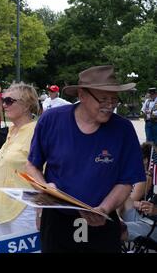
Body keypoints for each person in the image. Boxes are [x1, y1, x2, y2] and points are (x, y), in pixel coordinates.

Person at [25, 65, 146, 252]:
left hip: (103, 219)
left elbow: (126, 181)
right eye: (103, 99)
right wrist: (44, 187)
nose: (110, 105)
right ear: (82, 95)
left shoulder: (123, 130)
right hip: (57, 219)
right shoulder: (51, 120)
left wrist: (104, 209)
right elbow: (32, 165)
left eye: (114, 99)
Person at [0, 83, 39, 237]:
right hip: (0, 209)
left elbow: (45, 172)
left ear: (26, 105)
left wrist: (41, 212)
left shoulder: (36, 131)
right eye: (4, 100)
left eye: (9, 101)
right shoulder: (12, 130)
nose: (4, 105)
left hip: (24, 210)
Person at [120, 142, 157, 242]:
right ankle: (116, 219)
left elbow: (134, 199)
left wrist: (155, 210)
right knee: (121, 195)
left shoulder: (145, 178)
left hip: (152, 226)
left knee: (114, 229)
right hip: (144, 221)